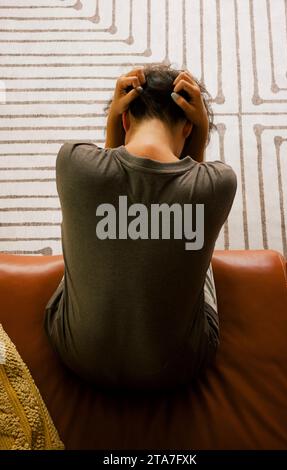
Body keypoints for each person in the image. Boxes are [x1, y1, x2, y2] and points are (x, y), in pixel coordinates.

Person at [44, 64, 237, 391]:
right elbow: (193, 183)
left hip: (76, 354)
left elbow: (108, 172)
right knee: (194, 241)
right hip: (178, 368)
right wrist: (201, 134)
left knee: (89, 233)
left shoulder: (72, 162)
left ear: (123, 119)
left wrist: (111, 128)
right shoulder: (219, 183)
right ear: (188, 129)